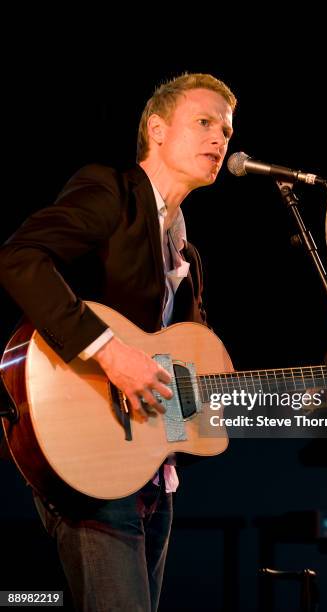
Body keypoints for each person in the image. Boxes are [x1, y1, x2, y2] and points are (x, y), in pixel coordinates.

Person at [0, 72, 236, 611]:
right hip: (87, 458)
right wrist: (110, 352)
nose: (220, 139)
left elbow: (177, 391)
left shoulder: (187, 254)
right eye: (203, 123)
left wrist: (189, 427)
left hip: (149, 476)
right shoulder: (112, 191)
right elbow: (19, 258)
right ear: (156, 128)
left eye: (225, 129)